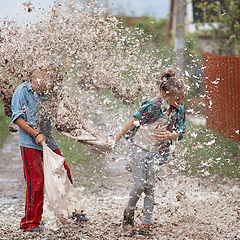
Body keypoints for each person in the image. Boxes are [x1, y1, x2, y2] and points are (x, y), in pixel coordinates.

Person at [11, 67, 88, 232]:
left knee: (63, 172)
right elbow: (17, 118)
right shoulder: (22, 91)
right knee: (36, 181)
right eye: (44, 80)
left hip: (48, 140)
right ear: (34, 76)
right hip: (30, 143)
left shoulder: (50, 92)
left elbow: (61, 112)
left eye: (49, 80)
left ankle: (73, 209)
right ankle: (30, 222)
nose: (46, 84)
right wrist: (35, 134)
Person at [114, 68, 186, 236]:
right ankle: (129, 213)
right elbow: (133, 121)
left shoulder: (178, 110)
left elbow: (181, 131)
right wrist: (117, 137)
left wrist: (172, 135)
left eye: (183, 97)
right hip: (139, 147)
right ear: (166, 94)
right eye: (177, 98)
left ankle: (146, 224)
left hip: (156, 152)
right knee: (139, 185)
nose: (181, 101)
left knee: (150, 187)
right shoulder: (154, 105)